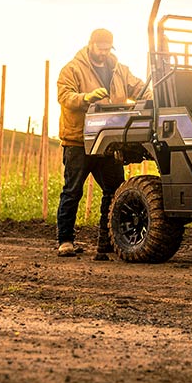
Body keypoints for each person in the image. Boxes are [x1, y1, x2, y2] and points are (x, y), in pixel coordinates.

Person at [56, 28, 147, 259]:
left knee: (115, 190)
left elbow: (139, 89)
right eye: (101, 48)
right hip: (79, 140)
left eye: (108, 49)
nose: (104, 52)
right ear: (91, 44)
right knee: (72, 191)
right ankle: (65, 241)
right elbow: (65, 96)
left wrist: (153, 98)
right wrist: (85, 98)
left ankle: (106, 242)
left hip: (108, 141)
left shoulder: (119, 70)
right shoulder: (72, 69)